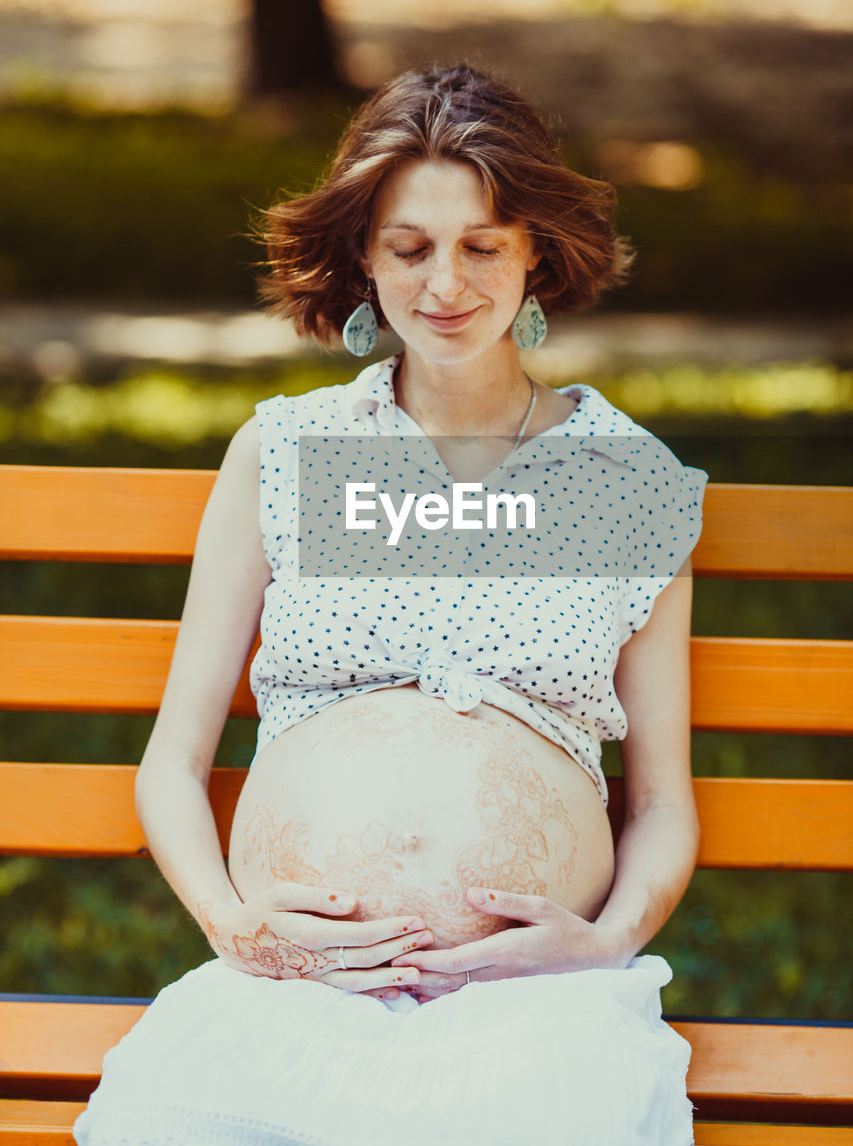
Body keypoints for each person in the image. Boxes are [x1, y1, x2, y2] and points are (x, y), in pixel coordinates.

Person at [73, 63, 707, 1146]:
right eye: (410, 247)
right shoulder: (290, 453)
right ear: (363, 257)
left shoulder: (620, 479)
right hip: (293, 991)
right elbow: (170, 766)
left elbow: (658, 804)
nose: (445, 283)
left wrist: (603, 945)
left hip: (528, 999)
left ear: (536, 254)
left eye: (481, 246)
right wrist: (234, 928)